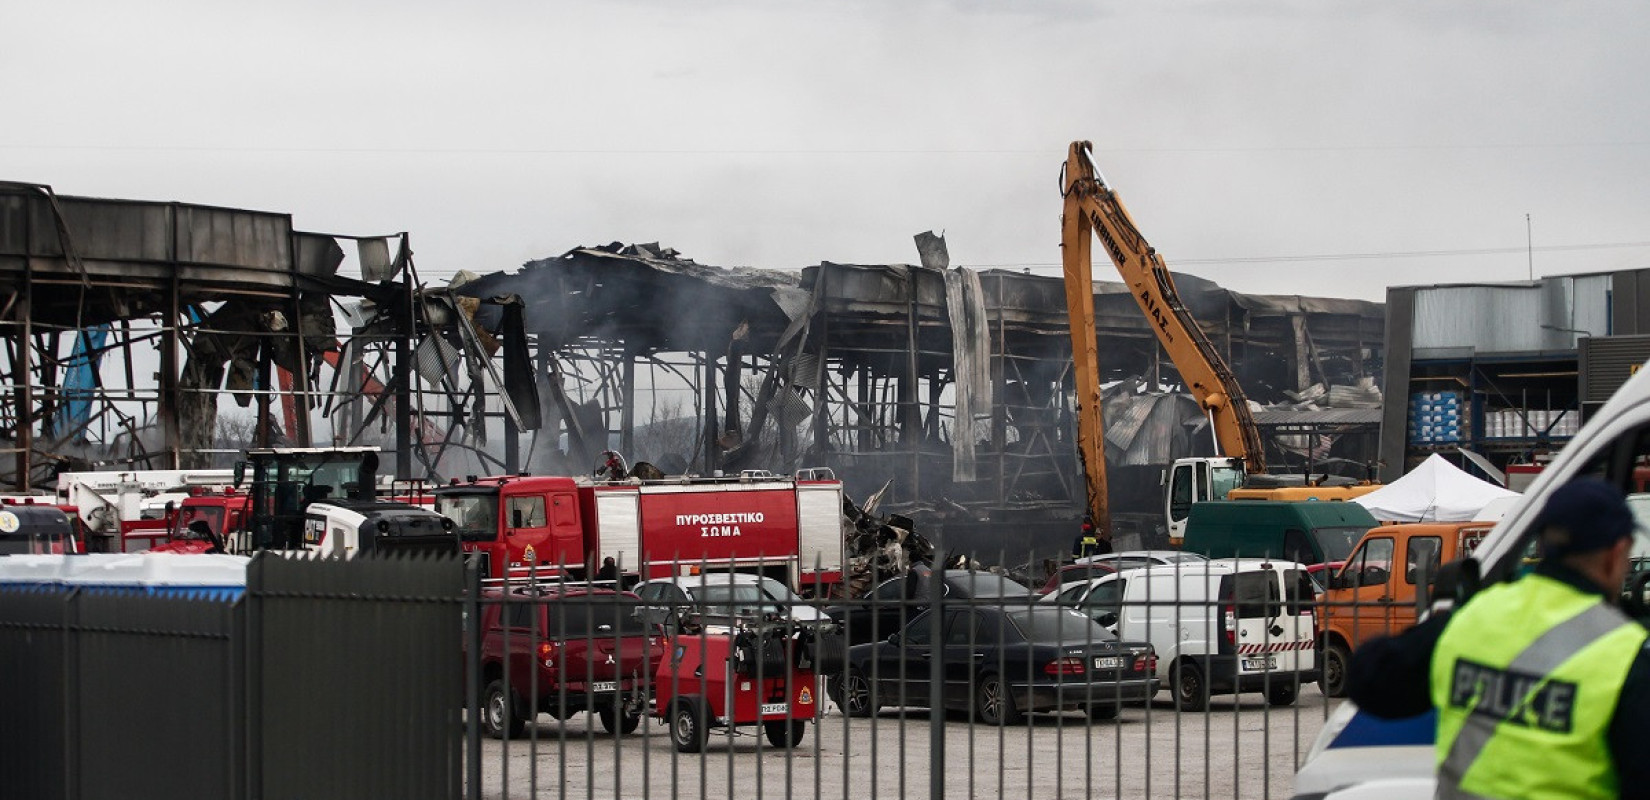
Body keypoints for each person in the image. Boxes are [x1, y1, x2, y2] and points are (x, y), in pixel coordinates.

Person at [1347, 477, 1650, 799]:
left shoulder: (1469, 618)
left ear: (1544, 544)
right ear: (1615, 555)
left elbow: (1368, 679)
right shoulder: (1626, 655)